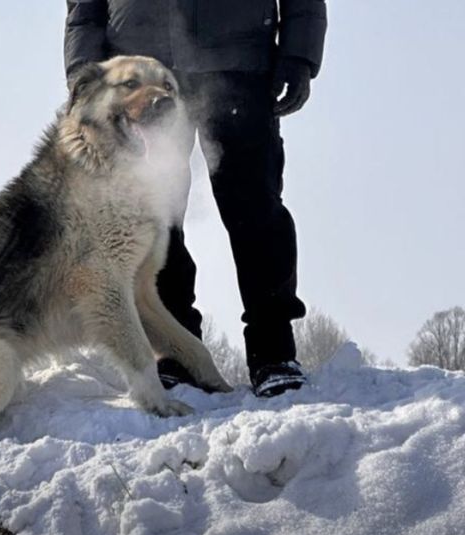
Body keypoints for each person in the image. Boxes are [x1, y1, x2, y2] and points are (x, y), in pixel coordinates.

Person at [64, 0, 327, 397]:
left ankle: (274, 353)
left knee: (256, 210)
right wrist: (85, 71)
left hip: (239, 61)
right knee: (154, 218)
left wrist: (299, 54)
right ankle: (174, 352)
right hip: (140, 68)